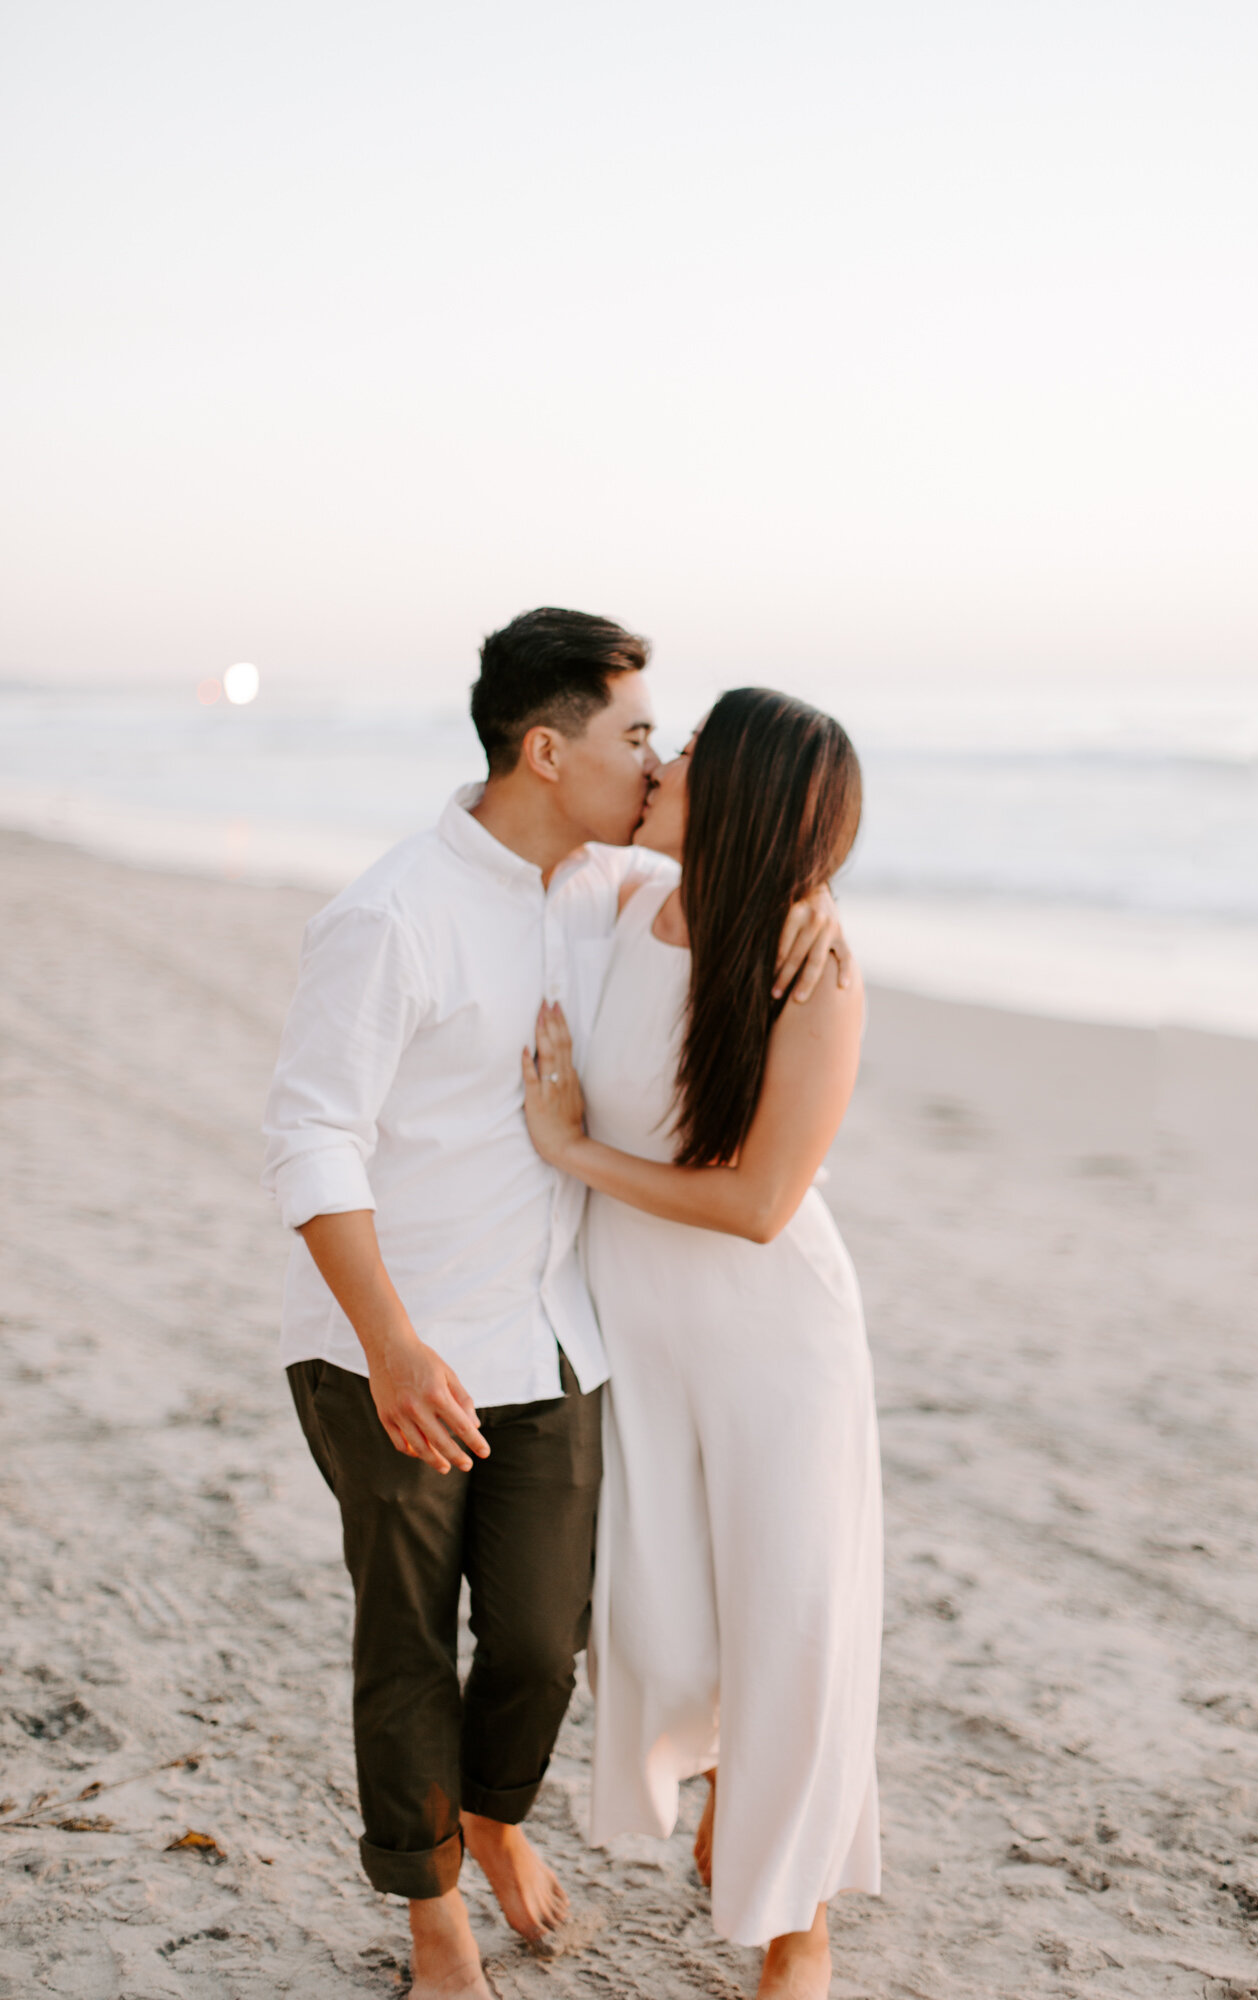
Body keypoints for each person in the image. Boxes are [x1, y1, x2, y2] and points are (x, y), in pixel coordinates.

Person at [262, 612, 847, 2000]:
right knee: (407, 1638)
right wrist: (390, 1343)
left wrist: (810, 906)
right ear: (545, 749)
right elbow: (310, 1138)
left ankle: (495, 1818)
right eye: (634, 736)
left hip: (556, 1344)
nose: (655, 764)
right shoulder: (387, 914)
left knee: (537, 1639)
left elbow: (731, 890)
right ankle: (434, 1919)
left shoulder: (603, 890)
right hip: (388, 1345)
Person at [522, 687, 882, 2000]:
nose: (660, 765)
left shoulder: (811, 963)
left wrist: (575, 1153)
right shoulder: (624, 905)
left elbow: (757, 1204)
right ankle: (726, 1775)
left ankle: (801, 1925)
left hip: (772, 1342)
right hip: (644, 1336)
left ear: (732, 794)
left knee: (788, 1620)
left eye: (684, 754)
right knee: (665, 1623)